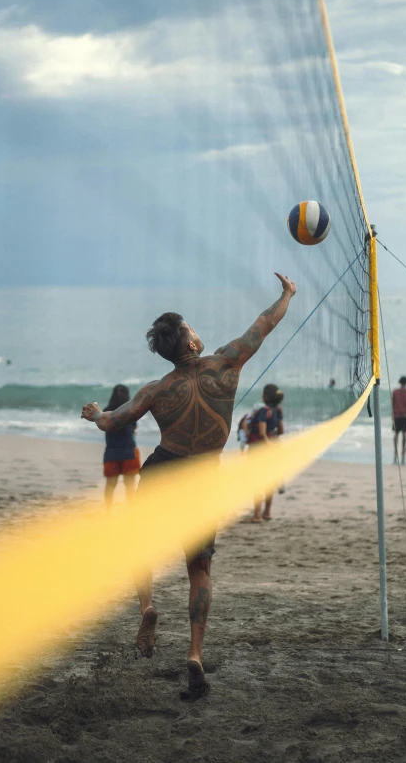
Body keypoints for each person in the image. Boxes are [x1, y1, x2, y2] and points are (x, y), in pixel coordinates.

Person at [81, 273, 296, 694]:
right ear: (192, 344)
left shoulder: (156, 390)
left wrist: (92, 414)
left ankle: (147, 606)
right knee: (199, 570)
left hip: (164, 471)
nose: (197, 332)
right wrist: (287, 294)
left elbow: (111, 421)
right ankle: (194, 654)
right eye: (192, 328)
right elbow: (265, 324)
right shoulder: (226, 363)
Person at [245, 384, 284, 522]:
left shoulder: (262, 410)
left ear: (265, 396)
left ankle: (257, 515)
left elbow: (261, 433)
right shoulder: (278, 411)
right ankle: (267, 513)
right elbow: (281, 431)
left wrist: (266, 444)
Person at [102, 385, 141, 511]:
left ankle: (108, 511)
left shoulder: (106, 412)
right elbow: (134, 429)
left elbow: (104, 428)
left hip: (112, 452)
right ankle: (130, 511)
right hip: (129, 452)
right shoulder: (130, 412)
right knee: (129, 486)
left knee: (110, 485)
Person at [392, 376, 406, 464]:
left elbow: (393, 404)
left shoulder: (395, 391)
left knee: (396, 434)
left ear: (400, 382)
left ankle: (395, 451)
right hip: (405, 415)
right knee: (404, 434)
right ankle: (403, 451)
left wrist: (392, 415)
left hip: (397, 415)